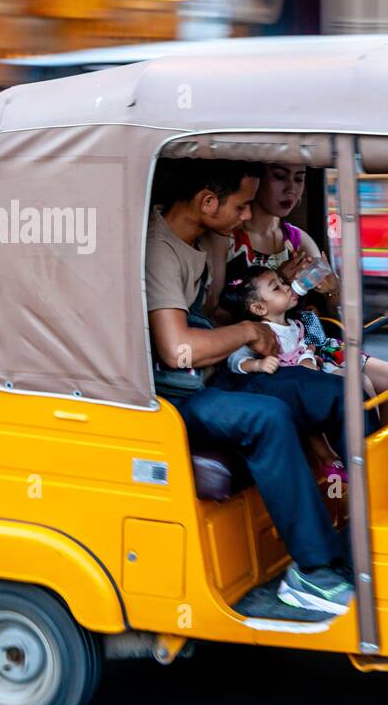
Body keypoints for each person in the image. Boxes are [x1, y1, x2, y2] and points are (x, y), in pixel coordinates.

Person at [146, 158, 354, 615]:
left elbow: (217, 308)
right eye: (240, 206)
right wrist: (245, 333)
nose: (247, 215)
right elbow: (177, 349)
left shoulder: (202, 239)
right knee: (271, 417)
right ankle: (314, 574)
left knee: (338, 394)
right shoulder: (159, 250)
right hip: (179, 396)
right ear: (207, 202)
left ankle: (363, 536)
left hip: (219, 376)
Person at [213, 163, 388, 425]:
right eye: (280, 177)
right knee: (359, 388)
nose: (291, 189)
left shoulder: (298, 240)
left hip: (309, 339)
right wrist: (281, 280)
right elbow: (213, 313)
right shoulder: (229, 240)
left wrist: (331, 291)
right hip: (268, 351)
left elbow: (332, 307)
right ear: (257, 183)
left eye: (299, 179)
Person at [222, 267, 378, 481]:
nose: (286, 287)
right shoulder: (257, 333)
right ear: (258, 308)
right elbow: (236, 360)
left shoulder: (300, 322)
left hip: (313, 371)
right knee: (326, 398)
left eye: (283, 282)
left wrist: (309, 356)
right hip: (290, 384)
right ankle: (329, 458)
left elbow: (312, 345)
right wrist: (258, 365)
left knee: (363, 382)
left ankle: (374, 441)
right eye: (277, 288)